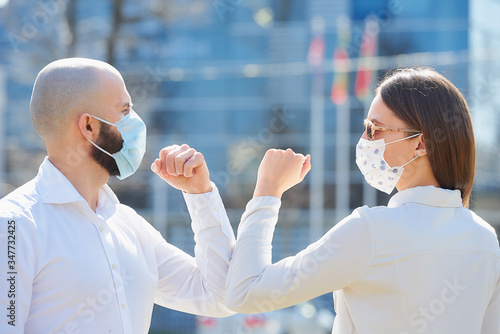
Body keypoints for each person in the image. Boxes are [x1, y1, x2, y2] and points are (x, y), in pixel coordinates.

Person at [225, 67, 500, 333]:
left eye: (374, 129)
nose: (364, 140)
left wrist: (267, 192)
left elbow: (245, 292)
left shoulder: (370, 231)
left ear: (420, 144)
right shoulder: (485, 240)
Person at [0, 58, 235, 333]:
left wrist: (200, 195)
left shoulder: (129, 225)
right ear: (89, 126)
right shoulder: (14, 226)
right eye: (125, 111)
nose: (135, 123)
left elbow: (220, 297)